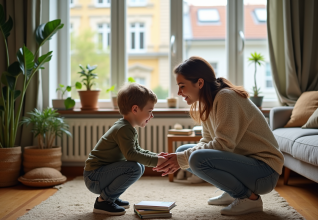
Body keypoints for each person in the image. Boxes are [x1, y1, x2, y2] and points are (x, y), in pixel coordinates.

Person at [154, 56, 284, 216]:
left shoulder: (226, 97)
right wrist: (182, 156)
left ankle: (249, 198)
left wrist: (182, 158)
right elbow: (207, 141)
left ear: (200, 83)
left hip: (264, 172)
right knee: (185, 150)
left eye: (182, 86)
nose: (179, 92)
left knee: (194, 158)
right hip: (247, 165)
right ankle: (232, 191)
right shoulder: (207, 103)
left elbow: (223, 144)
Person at [83, 83, 167, 215]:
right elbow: (131, 155)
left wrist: (157, 156)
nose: (152, 116)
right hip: (94, 177)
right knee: (134, 167)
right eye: (150, 111)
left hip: (99, 175)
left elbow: (137, 150)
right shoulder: (123, 129)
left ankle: (112, 197)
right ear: (135, 109)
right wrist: (156, 160)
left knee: (140, 166)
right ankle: (103, 201)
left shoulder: (128, 127)